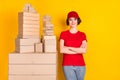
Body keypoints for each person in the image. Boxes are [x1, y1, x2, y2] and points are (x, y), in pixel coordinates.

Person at [59, 11, 87, 80]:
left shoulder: (82, 34)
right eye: (70, 19)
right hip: (67, 64)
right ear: (68, 21)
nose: (73, 22)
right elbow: (62, 49)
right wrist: (78, 50)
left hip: (80, 65)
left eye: (75, 19)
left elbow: (84, 50)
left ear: (78, 20)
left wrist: (69, 48)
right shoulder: (63, 34)